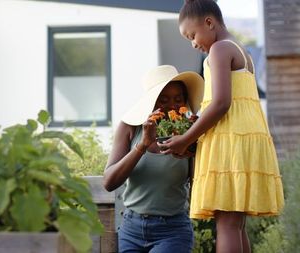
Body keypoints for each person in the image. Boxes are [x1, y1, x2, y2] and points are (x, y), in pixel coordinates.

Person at [158, 1, 285, 253]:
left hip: (230, 138)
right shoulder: (242, 51)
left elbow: (221, 103)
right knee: (235, 224)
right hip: (246, 135)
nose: (193, 43)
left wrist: (186, 137)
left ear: (209, 22)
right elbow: (227, 100)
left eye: (192, 35)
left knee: (226, 222)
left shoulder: (219, 50)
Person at [103, 65, 204, 253]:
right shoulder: (130, 128)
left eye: (178, 99)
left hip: (172, 230)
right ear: (150, 102)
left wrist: (193, 145)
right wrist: (142, 145)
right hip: (131, 229)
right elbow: (109, 182)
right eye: (163, 100)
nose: (172, 106)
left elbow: (199, 185)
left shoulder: (188, 133)